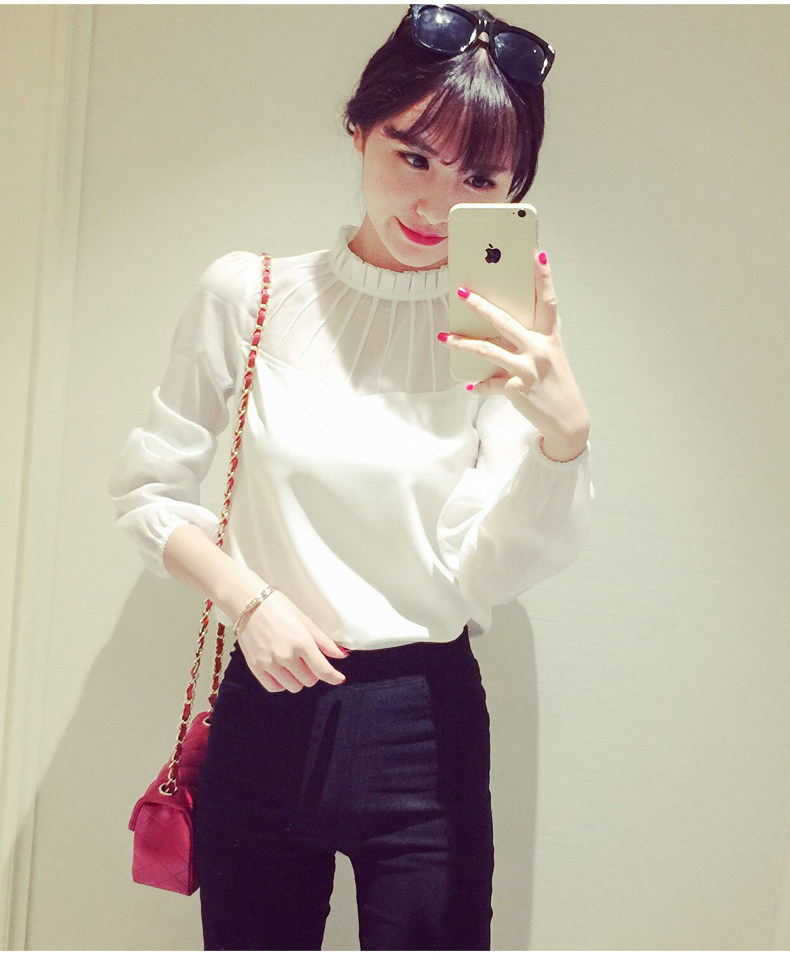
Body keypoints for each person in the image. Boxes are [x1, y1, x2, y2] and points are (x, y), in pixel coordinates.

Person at [109, 3, 593, 951]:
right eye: (413, 156)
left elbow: (487, 571)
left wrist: (564, 439)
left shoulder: (502, 338)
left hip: (424, 720)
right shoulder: (247, 296)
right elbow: (147, 491)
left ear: (512, 192)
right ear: (359, 129)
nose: (436, 207)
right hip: (265, 700)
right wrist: (249, 601)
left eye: (479, 178)